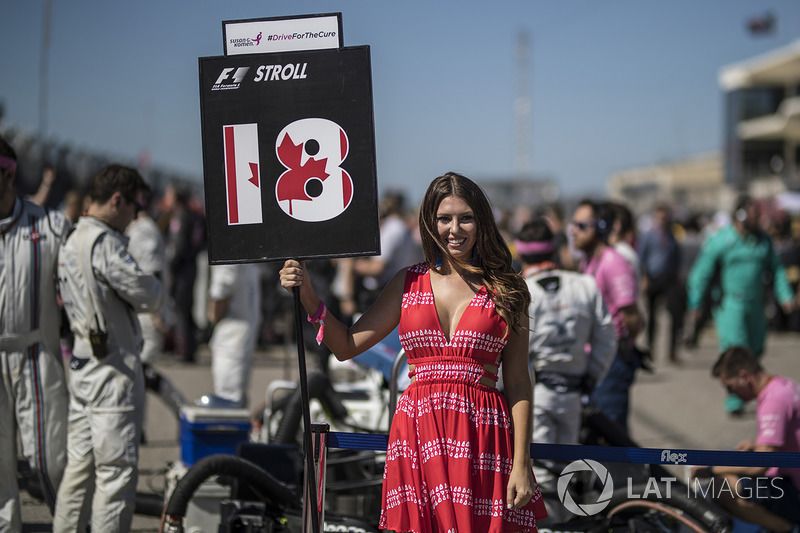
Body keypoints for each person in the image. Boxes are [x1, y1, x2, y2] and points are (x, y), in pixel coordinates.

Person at [280, 172, 547, 532]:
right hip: (416, 432)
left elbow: (518, 382)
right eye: (444, 218)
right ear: (429, 223)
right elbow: (346, 346)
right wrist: (309, 295)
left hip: (482, 433)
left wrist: (521, 463)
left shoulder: (509, 291)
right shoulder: (407, 282)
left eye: (466, 217)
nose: (455, 229)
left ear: (481, 221)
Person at [53, 164, 162, 533]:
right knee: (114, 476)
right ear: (117, 200)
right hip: (111, 374)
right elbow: (148, 294)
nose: (136, 216)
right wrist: (157, 286)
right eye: (135, 205)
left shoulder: (71, 238)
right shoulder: (105, 244)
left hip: (83, 367)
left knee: (78, 471)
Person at [517, 218, 616, 520]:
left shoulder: (521, 291)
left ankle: (550, 526)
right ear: (556, 249)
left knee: (543, 473)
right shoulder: (584, 285)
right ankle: (565, 524)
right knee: (565, 470)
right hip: (574, 391)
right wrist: (591, 377)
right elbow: (607, 336)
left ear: (521, 254)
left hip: (536, 394)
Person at [0, 135, 69, 530]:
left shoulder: (50, 224)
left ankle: (70, 522)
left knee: (49, 458)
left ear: (8, 177)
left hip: (35, 355)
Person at [687, 195, 796, 415]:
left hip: (756, 305)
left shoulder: (763, 241)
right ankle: (735, 401)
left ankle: (752, 393)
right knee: (736, 352)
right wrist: (695, 302)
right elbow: (701, 272)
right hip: (731, 305)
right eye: (754, 215)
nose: (758, 220)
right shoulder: (722, 240)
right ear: (741, 215)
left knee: (755, 349)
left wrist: (785, 295)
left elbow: (776, 270)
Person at [691, 346, 800, 531]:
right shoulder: (783, 385)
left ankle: (785, 528)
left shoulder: (774, 400)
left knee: (719, 487)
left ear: (744, 376)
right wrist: (756, 445)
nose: (730, 394)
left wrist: (710, 468)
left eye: (730, 386)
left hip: (795, 492)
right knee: (736, 451)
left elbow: (758, 465)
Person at [571, 199, 644, 432]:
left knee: (612, 432)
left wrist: (623, 346)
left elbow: (631, 316)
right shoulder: (589, 261)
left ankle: (624, 471)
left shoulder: (613, 262)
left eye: (582, 226)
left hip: (613, 360)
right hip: (598, 359)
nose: (574, 231)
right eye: (574, 224)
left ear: (601, 228)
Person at [205, 262, 263, 407]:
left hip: (232, 330)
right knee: (237, 395)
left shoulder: (228, 251)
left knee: (227, 396)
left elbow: (223, 286)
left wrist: (213, 315)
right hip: (245, 324)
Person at [638, 204, 681, 362]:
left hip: (668, 279)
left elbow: (676, 258)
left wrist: (678, 278)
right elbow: (641, 257)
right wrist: (643, 278)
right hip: (652, 278)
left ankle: (672, 351)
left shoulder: (672, 236)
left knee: (675, 313)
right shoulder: (648, 236)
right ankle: (650, 348)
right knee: (652, 317)